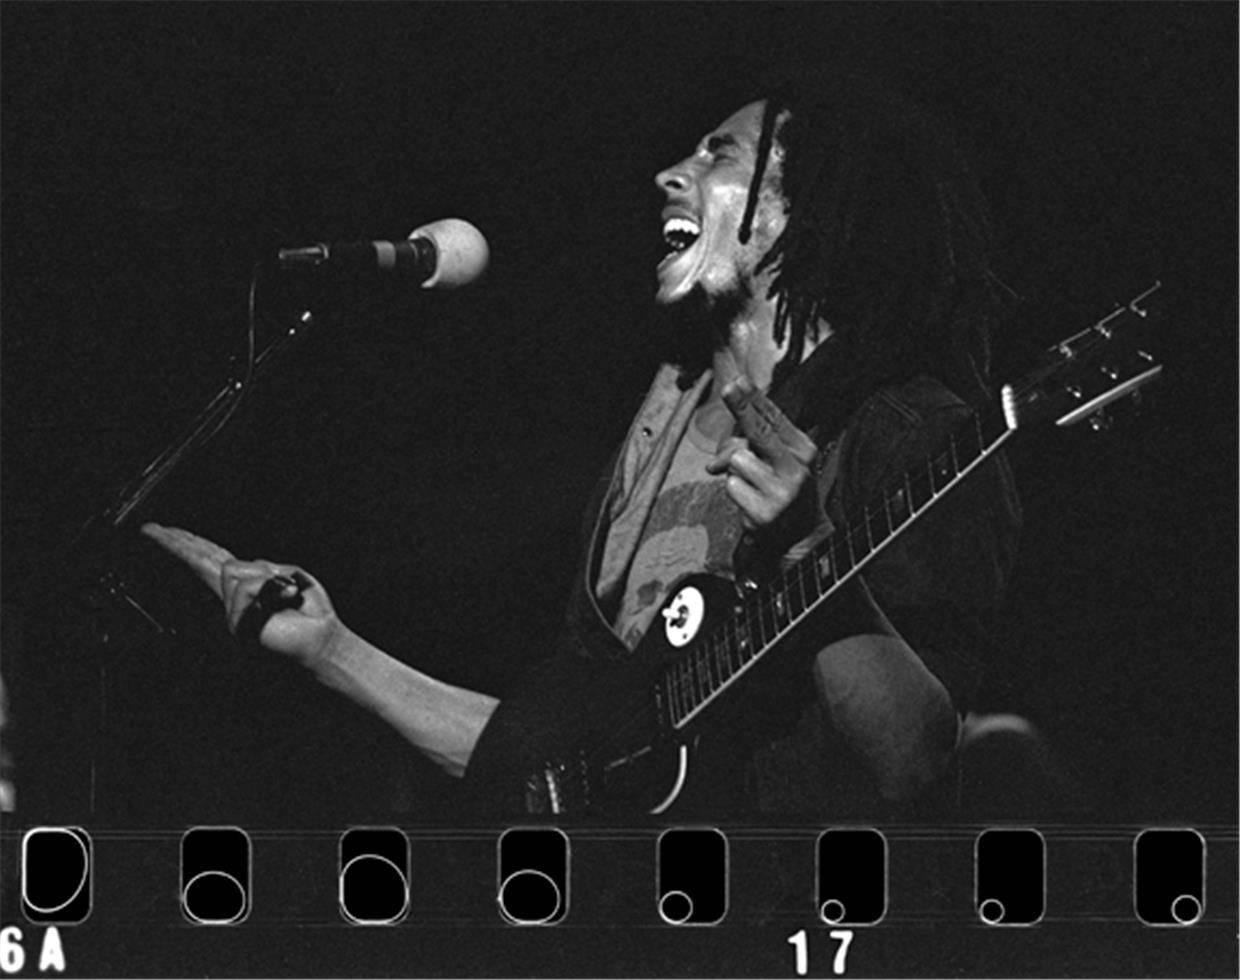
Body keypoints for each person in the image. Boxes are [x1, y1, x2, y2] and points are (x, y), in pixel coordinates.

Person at [143, 69, 1021, 819]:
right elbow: (564, 759)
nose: (669, 173)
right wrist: (333, 650)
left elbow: (915, 762)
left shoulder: (919, 436)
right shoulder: (659, 433)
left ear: (819, 205)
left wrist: (807, 549)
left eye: (721, 154)